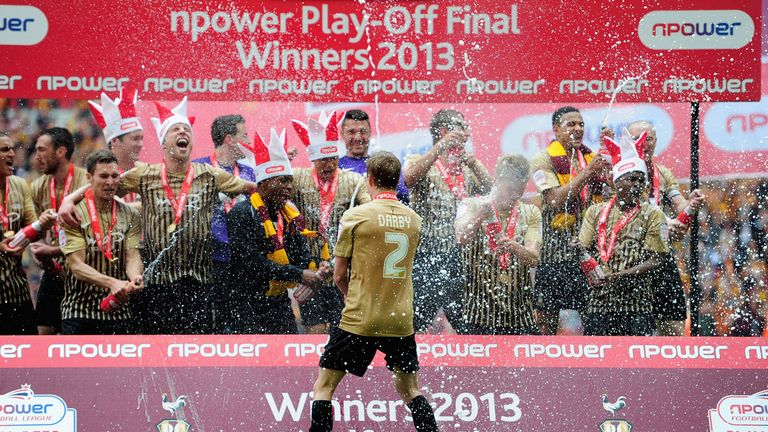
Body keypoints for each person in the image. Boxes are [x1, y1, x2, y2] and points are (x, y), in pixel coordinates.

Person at [58, 97, 259, 334]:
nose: (183, 132)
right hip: (158, 284)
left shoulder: (209, 174)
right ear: (164, 143)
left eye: (186, 130)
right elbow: (105, 186)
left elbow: (251, 187)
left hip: (200, 282)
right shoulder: (146, 174)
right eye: (176, 129)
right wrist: (69, 200)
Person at [309, 151, 438, 432]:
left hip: (361, 317)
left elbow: (340, 274)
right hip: (400, 320)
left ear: (369, 179)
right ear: (397, 181)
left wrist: (349, 296)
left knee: (324, 387)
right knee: (411, 390)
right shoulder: (414, 220)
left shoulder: (355, 216)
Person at [227, 128, 325, 334]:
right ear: (263, 184)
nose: (290, 187)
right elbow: (251, 263)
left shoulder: (288, 215)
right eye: (283, 181)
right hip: (245, 306)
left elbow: (299, 254)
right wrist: (300, 275)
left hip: (278, 304)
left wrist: (318, 267)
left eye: (290, 181)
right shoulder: (242, 213)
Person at [403, 109, 492, 333]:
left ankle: (473, 364)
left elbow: (495, 192)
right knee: (414, 321)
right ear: (443, 131)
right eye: (462, 127)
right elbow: (409, 179)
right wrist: (440, 147)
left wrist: (472, 163)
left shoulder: (469, 165)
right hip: (426, 256)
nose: (467, 133)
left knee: (468, 322)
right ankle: (408, 366)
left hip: (462, 257)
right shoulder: (421, 159)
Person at [529, 106, 611, 334]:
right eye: (571, 124)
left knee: (595, 324)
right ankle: (544, 368)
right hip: (554, 254)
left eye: (581, 124)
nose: (577, 129)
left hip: (587, 255)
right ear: (556, 130)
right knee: (545, 327)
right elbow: (555, 200)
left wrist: (612, 157)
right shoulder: (542, 159)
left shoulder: (591, 159)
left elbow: (611, 197)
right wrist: (588, 173)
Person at [578, 128, 669, 336]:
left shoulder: (654, 215)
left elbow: (656, 260)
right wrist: (577, 250)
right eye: (631, 179)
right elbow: (583, 248)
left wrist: (620, 275)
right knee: (597, 365)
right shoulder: (595, 211)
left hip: (637, 305)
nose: (637, 185)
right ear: (616, 181)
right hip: (599, 304)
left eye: (641, 179)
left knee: (638, 366)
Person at [291, 111, 370, 333]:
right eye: (323, 160)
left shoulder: (354, 180)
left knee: (343, 331)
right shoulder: (297, 178)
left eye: (333, 158)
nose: (328, 165)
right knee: (314, 331)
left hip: (342, 270)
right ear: (313, 159)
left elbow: (369, 211)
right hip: (311, 273)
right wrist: (282, 166)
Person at [627, 120, 705, 336]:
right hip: (630, 257)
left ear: (655, 141)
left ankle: (675, 366)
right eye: (636, 139)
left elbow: (679, 205)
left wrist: (691, 205)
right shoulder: (623, 172)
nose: (642, 143)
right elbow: (639, 209)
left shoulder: (663, 173)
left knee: (672, 323)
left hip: (660, 255)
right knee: (635, 331)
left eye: (648, 138)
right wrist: (667, 224)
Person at [454, 155, 542, 335]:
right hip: (478, 318)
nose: (515, 195)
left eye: (520, 189)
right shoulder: (471, 204)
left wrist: (513, 247)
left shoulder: (531, 211)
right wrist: (479, 216)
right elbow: (461, 237)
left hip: (520, 319)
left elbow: (534, 258)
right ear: (498, 180)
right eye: (510, 188)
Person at [60, 150, 143, 335]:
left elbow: (133, 256)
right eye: (103, 176)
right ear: (89, 177)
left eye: (115, 176)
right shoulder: (72, 214)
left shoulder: (131, 215)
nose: (110, 182)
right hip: (79, 311)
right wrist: (111, 282)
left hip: (118, 312)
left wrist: (135, 277)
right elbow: (76, 266)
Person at [193, 114, 256, 332]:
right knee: (209, 325)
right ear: (230, 139)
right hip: (207, 261)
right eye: (245, 135)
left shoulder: (249, 172)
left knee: (240, 325)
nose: (249, 141)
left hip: (242, 261)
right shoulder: (198, 169)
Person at [29, 127, 90, 335]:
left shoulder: (85, 182)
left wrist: (52, 250)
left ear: (61, 152)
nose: (36, 156)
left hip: (83, 269)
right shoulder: (38, 186)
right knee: (43, 331)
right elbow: (37, 234)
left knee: (76, 334)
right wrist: (41, 228)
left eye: (41, 150)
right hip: (54, 270)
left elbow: (91, 235)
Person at [0, 132, 55, 335]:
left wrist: (42, 224)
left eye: (13, 149)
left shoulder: (19, 184)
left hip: (17, 292)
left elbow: (32, 226)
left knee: (26, 354)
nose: (12, 154)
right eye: (5, 150)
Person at [338, 109, 409, 203]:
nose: (358, 138)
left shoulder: (383, 164)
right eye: (351, 132)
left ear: (370, 132)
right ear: (342, 134)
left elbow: (403, 196)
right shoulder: (335, 168)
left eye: (363, 132)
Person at [87, 90, 145, 204]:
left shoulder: (146, 173)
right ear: (114, 141)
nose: (140, 144)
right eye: (135, 139)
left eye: (141, 138)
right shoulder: (99, 178)